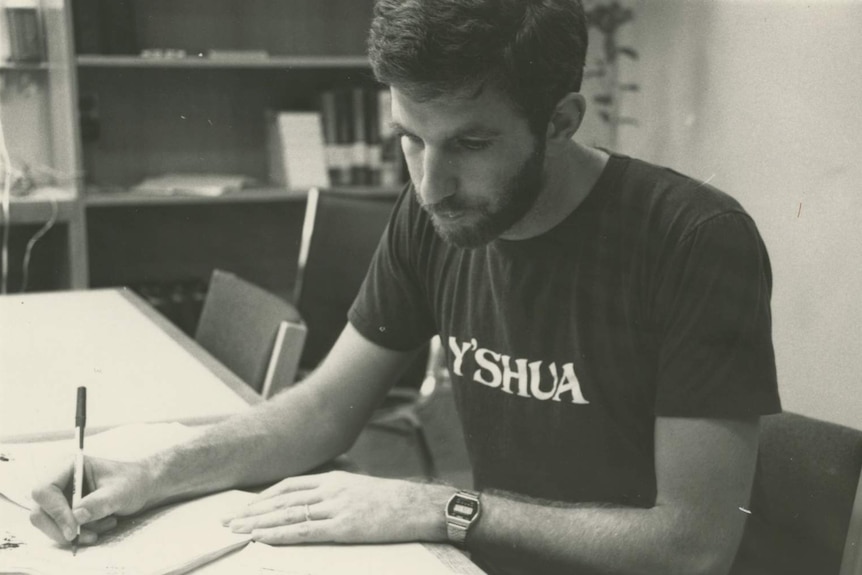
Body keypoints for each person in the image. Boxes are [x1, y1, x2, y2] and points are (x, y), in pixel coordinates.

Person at [30, 1, 781, 573]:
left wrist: (439, 506)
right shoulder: (435, 215)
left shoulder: (693, 239)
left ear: (561, 120)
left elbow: (695, 543)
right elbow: (323, 410)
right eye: (410, 138)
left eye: (471, 143)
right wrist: (150, 473)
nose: (430, 183)